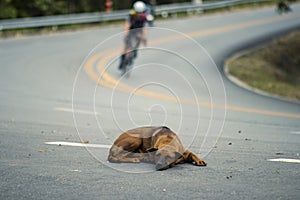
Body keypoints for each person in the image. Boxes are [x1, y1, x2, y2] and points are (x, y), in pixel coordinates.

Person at [119, 1, 148, 70]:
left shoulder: (144, 17)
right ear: (135, 10)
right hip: (131, 29)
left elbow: (144, 28)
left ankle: (135, 50)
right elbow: (127, 25)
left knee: (139, 38)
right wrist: (126, 34)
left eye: (141, 12)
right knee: (126, 46)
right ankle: (122, 60)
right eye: (138, 12)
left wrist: (144, 38)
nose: (140, 14)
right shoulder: (131, 15)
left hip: (138, 30)